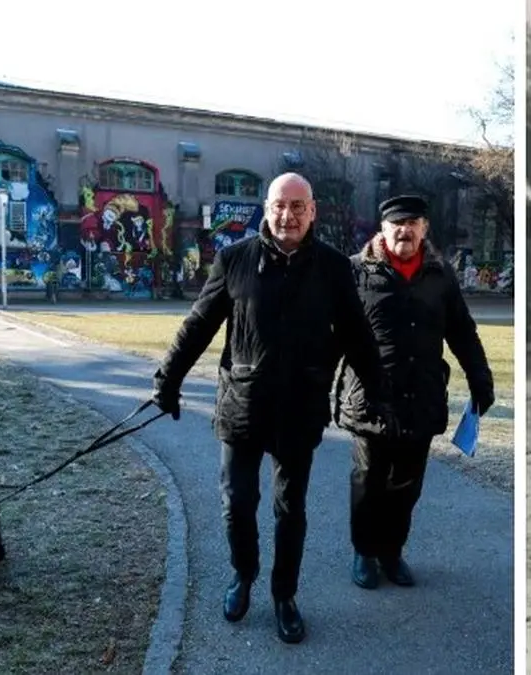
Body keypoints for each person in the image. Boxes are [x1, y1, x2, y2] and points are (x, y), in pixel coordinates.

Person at [150, 173, 392, 645]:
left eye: (299, 206)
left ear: (313, 211)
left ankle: (285, 595)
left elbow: (359, 338)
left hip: (299, 411)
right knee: (237, 504)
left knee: (290, 510)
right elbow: (197, 326)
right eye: (281, 205)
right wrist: (168, 382)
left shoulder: (333, 268)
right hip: (242, 406)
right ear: (267, 208)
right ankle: (244, 575)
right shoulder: (234, 260)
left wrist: (379, 394)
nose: (289, 215)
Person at [334, 195, 496, 590]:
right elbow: (329, 334)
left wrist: (480, 377)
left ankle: (392, 551)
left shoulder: (441, 275)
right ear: (382, 229)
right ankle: (364, 552)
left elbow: (462, 331)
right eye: (397, 223)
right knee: (368, 480)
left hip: (421, 397)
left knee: (407, 483)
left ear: (425, 229)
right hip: (370, 398)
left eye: (413, 222)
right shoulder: (355, 272)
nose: (404, 230)